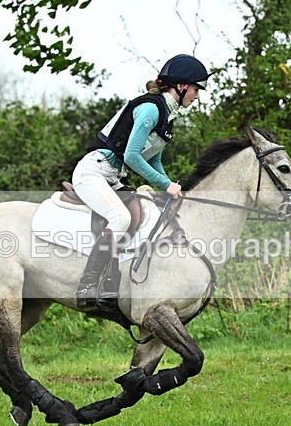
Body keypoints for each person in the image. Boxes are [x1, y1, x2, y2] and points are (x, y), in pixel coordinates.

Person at [71, 54, 211, 310]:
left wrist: (169, 185)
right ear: (181, 86)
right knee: (120, 218)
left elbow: (154, 159)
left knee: (145, 213)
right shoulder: (150, 110)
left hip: (112, 178)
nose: (197, 96)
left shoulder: (166, 116)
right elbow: (132, 156)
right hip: (93, 172)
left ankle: (113, 278)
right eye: (196, 89)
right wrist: (166, 185)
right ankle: (87, 284)